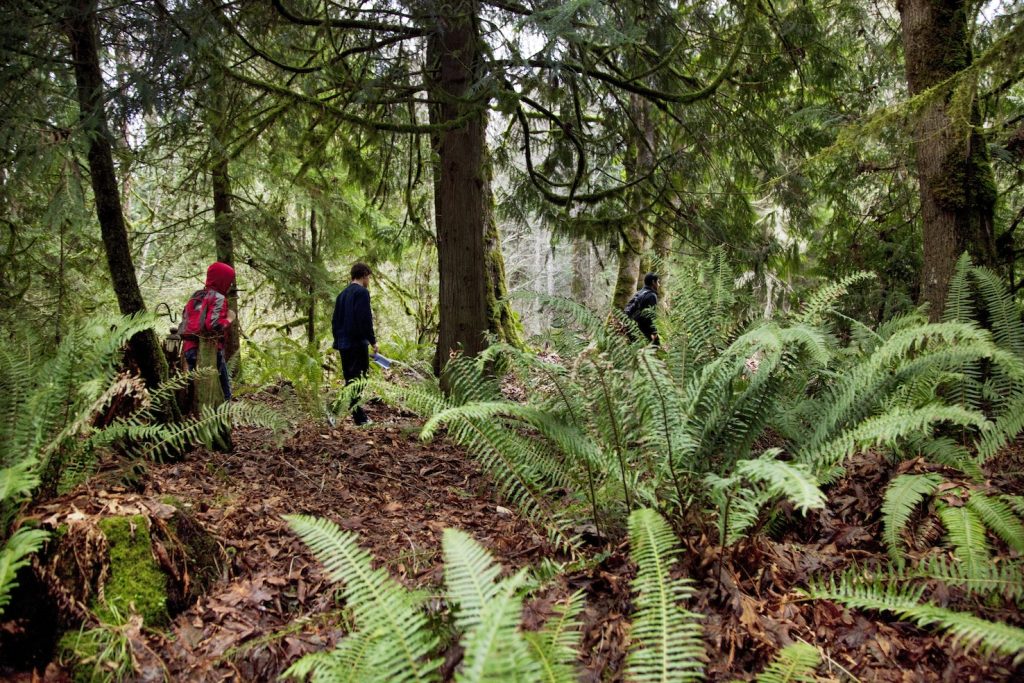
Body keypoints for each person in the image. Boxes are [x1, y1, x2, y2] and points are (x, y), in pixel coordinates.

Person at [180, 261, 236, 400]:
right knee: (222, 390)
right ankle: (224, 412)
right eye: (229, 281)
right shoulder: (218, 298)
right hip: (208, 351)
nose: (230, 285)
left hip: (189, 348)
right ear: (222, 280)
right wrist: (229, 319)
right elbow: (213, 326)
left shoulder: (196, 295)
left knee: (195, 389)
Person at [332, 262, 378, 425]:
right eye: (368, 277)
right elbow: (364, 319)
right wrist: (373, 341)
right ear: (364, 275)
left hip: (343, 344)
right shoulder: (362, 293)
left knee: (351, 380)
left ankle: (341, 411)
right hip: (357, 343)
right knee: (359, 380)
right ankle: (356, 417)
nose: (368, 281)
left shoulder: (341, 295)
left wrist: (338, 340)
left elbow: (335, 321)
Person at [624, 272, 660, 345]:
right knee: (656, 348)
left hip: (632, 327)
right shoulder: (652, 295)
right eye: (658, 282)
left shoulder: (639, 292)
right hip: (644, 330)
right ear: (653, 282)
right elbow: (651, 317)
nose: (659, 285)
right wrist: (654, 332)